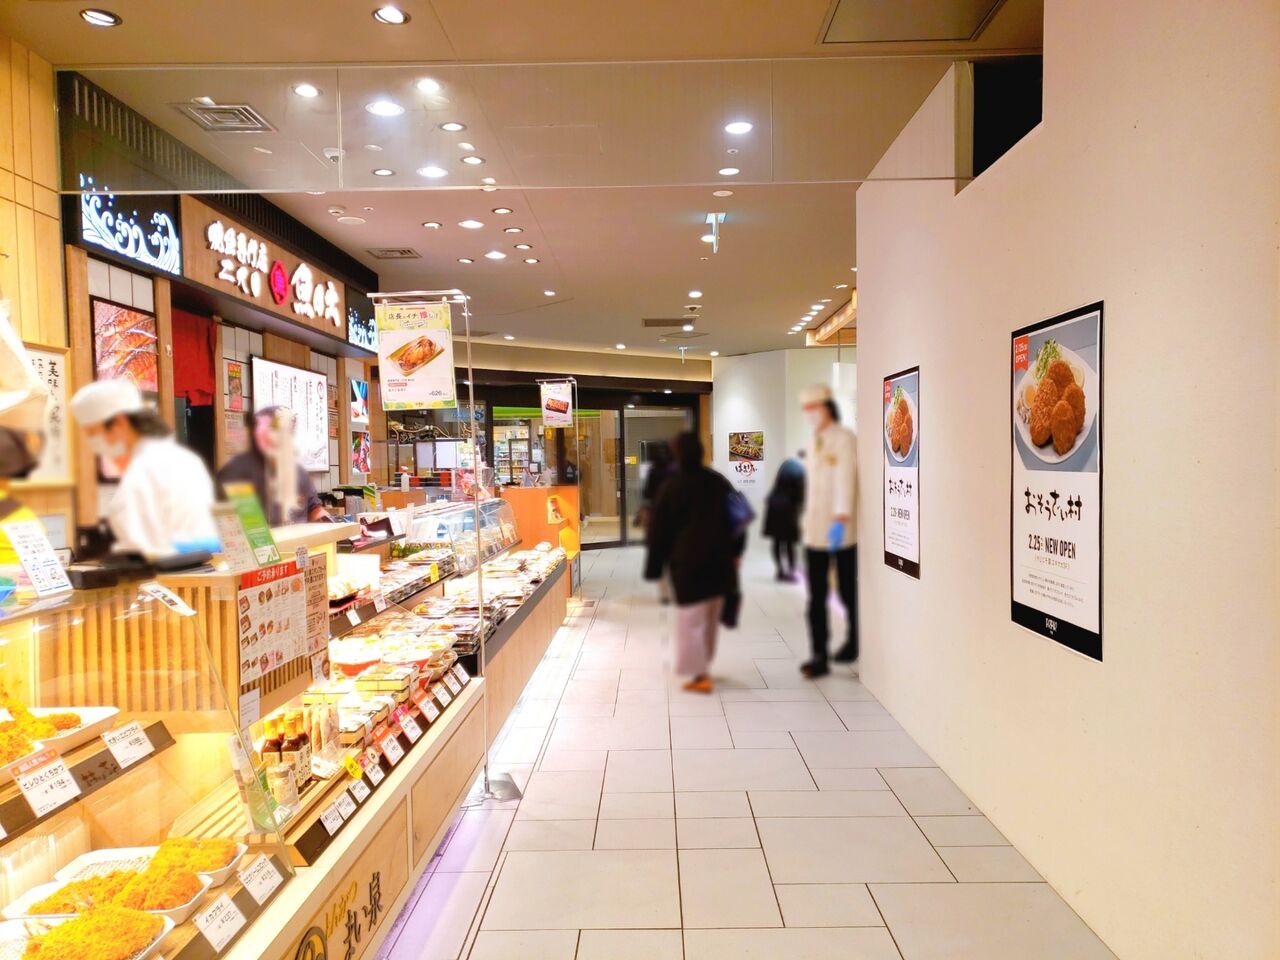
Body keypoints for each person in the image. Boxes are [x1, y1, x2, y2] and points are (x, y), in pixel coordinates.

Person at [69, 379, 218, 556]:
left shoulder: (143, 470)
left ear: (119, 423)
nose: (92, 443)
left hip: (165, 570)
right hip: (201, 565)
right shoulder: (188, 460)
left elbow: (139, 547)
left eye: (93, 433)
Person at [644, 432, 744, 693]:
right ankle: (703, 667)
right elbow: (739, 518)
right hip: (719, 562)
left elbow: (658, 531)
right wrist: (736, 552)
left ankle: (700, 675)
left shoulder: (672, 487)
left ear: (678, 454)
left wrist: (654, 567)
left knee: (691, 620)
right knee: (710, 618)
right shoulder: (718, 481)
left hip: (687, 564)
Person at [798, 385, 858, 678]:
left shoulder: (844, 439)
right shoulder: (813, 440)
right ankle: (819, 654)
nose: (810, 414)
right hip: (815, 530)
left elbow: (846, 479)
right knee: (816, 595)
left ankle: (855, 641)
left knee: (848, 590)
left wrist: (841, 517)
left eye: (814, 408)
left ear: (827, 407)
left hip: (841, 530)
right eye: (806, 409)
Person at [217, 406, 327, 526]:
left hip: (300, 537)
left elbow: (314, 508)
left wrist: (327, 521)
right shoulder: (236, 473)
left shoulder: (299, 472)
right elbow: (240, 524)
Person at [763, 453, 805, 581]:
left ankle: (780, 571)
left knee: (777, 541)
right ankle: (791, 571)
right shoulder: (800, 470)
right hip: (788, 510)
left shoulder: (785, 466)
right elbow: (800, 495)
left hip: (774, 508)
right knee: (789, 543)